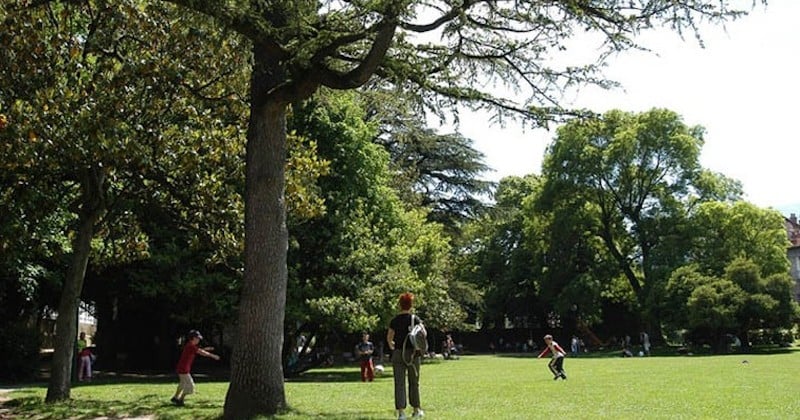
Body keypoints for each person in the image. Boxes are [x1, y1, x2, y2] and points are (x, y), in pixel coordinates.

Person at [387, 292, 426, 419]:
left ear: (400, 305)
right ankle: (416, 410)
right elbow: (423, 334)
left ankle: (401, 413)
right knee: (414, 382)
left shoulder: (394, 320)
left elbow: (389, 338)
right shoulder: (415, 319)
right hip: (413, 354)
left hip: (398, 353)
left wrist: (393, 346)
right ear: (411, 305)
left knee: (399, 383)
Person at [171, 330, 220, 406]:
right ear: (193, 338)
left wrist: (206, 349)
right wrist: (213, 356)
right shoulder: (190, 346)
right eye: (198, 338)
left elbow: (198, 350)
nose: (199, 340)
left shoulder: (189, 345)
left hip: (181, 368)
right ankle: (180, 399)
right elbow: (201, 352)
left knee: (182, 384)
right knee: (191, 388)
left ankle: (175, 397)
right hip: (184, 370)